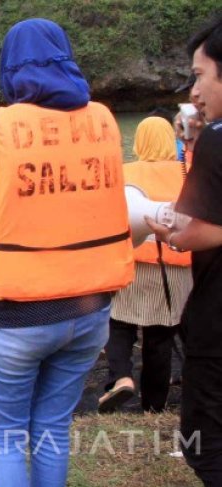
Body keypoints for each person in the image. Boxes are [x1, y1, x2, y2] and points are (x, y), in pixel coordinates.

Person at [0, 18, 134, 486]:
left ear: (10, 68)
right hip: (92, 313)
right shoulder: (104, 121)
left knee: (7, 436)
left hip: (17, 318)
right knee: (52, 425)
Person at [146, 16, 222, 486]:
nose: (194, 91)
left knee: (205, 442)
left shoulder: (218, 137)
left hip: (217, 319)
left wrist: (166, 228)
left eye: (199, 75)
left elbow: (196, 231)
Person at [98, 116, 192, 413]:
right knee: (160, 337)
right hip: (178, 269)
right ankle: (154, 406)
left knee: (119, 322)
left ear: (139, 142)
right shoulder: (189, 174)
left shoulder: (124, 172)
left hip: (132, 263)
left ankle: (120, 378)